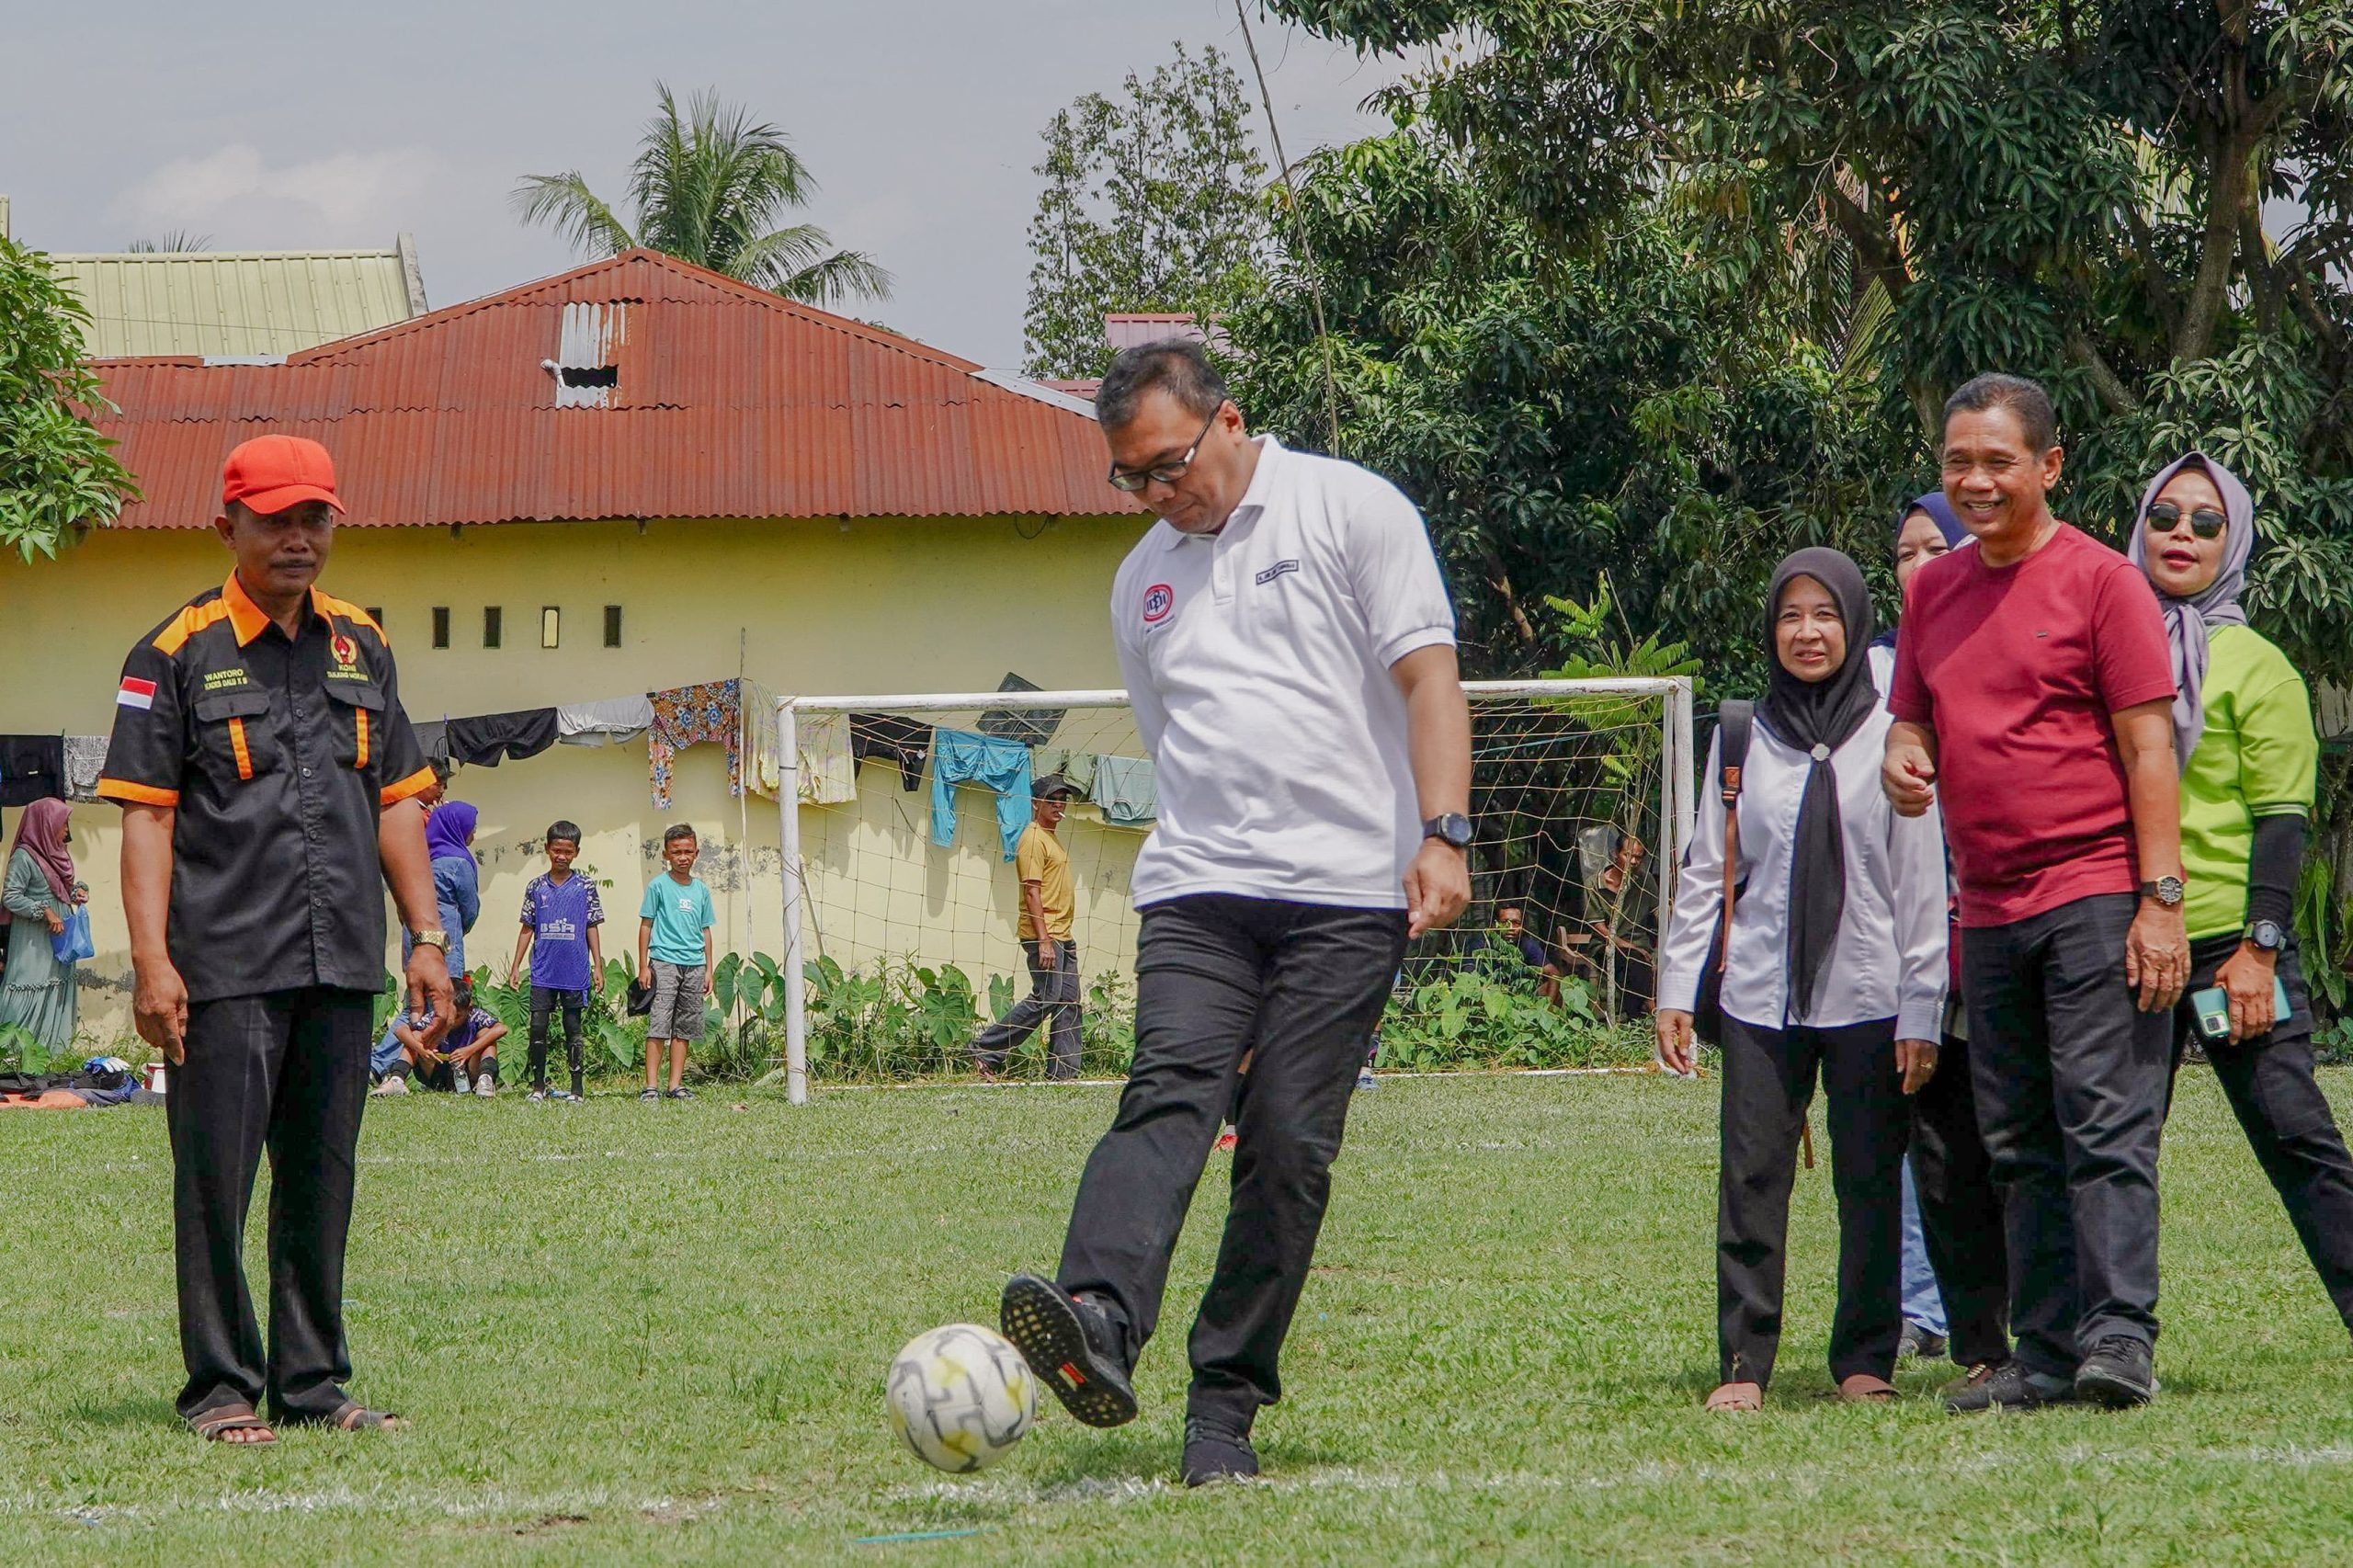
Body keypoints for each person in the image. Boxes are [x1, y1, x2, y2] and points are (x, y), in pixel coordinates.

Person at [996, 338, 1472, 1487]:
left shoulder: (1352, 509)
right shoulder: (1141, 580)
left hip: (1345, 893)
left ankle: (1224, 1407)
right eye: (1132, 480)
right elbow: (1179, 743)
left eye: (1167, 466)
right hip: (1201, 887)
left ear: (1227, 420)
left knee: (1288, 1147)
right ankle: (1099, 1318)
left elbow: (1428, 677)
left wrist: (1443, 831)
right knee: (1169, 1086)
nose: (1158, 495)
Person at [96, 432, 449, 1444]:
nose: (299, 538)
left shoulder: (361, 643)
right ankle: (218, 1387)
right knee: (216, 1180)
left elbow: (395, 800)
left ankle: (314, 1383)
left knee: (321, 1177)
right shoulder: (174, 652)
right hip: (223, 967)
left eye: (316, 518)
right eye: (277, 519)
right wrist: (153, 961)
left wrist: (426, 935)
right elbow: (148, 816)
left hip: (340, 956)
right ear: (228, 526)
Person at [1884, 373, 2187, 1412]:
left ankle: (2118, 1339)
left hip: (2095, 889)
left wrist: (2160, 899)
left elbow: (2150, 748)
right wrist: (1902, 753)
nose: (1973, 479)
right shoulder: (1931, 590)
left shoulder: (2104, 582)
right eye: (1956, 461)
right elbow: (1912, 718)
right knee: (2012, 1135)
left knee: (2102, 1122)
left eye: (1995, 461)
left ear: (2047, 466)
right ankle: (2045, 1348)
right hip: (1989, 905)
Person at [1657, 548, 1949, 1410]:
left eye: (1826, 615)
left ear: (1854, 623)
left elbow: (1920, 878)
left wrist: (1923, 1008)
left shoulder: (1893, 735)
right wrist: (1677, 991)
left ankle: (1865, 1359)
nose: (1808, 632)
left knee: (1869, 1181)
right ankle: (1743, 1365)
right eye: (1791, 616)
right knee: (1750, 1181)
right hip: (1758, 996)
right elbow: (1709, 869)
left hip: (1871, 994)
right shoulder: (1743, 733)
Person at [2130, 451, 2353, 1339]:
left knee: (2297, 1136)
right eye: (2166, 517)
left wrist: (2260, 950)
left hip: (2231, 950)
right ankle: (2107, 1338)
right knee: (2114, 1148)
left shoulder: (2259, 667)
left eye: (2207, 522)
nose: (2182, 534)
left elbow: (2283, 817)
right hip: (2132, 941)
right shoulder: (2101, 646)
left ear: (2237, 541)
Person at [1868, 493, 2012, 1377]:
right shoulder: (1882, 667)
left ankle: (2033, 1309)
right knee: (1921, 1128)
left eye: (1934, 548)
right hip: (1904, 942)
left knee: (2001, 1133)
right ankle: (1922, 1308)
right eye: (1904, 551)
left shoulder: (1993, 645)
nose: (1916, 565)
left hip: (1997, 922)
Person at [972, 775, 1086, 1080]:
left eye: (1063, 799)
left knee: (1069, 1002)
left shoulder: (1051, 836)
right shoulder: (1033, 838)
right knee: (1047, 997)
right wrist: (1044, 940)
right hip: (1045, 935)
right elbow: (1031, 891)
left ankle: (1063, 1075)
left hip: (1062, 933)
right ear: (1036, 804)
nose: (1059, 805)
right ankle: (986, 1048)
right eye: (1052, 799)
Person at [511, 819, 604, 1102]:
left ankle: (577, 1089)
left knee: (573, 1029)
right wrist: (516, 965)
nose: (561, 857)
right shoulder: (536, 887)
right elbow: (528, 927)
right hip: (542, 971)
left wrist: (597, 965)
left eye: (568, 851)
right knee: (538, 1027)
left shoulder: (585, 886)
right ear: (547, 849)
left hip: (574, 970)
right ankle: (538, 1087)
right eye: (556, 850)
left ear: (576, 852)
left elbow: (592, 925)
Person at [0, 799, 90, 1053]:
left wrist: (78, 892)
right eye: (62, 824)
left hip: (59, 937)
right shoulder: (24, 856)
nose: (66, 830)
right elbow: (11, 896)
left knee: (57, 984)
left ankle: (52, 1054)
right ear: (45, 824)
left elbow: (60, 889)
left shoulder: (57, 852)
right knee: (29, 984)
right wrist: (44, 911)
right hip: (33, 938)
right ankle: (13, 1055)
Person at [637, 824, 714, 1102]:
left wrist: (709, 969)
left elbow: (705, 930)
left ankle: (675, 1085)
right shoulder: (658, 886)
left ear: (696, 853)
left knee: (685, 1028)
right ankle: (651, 1087)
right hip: (664, 962)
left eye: (688, 852)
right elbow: (646, 925)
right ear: (666, 855)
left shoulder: (701, 890)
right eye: (677, 852)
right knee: (659, 1025)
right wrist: (644, 966)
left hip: (694, 965)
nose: (683, 857)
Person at [370, 981, 505, 1096]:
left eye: (457, 1016)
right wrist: (421, 1050)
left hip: (469, 1071)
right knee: (416, 1036)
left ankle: (485, 1079)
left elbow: (501, 1028)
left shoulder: (475, 1016)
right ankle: (397, 1080)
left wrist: (469, 1050)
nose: (451, 1019)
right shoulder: (435, 1017)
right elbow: (400, 1030)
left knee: (487, 1034)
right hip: (438, 1071)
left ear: (469, 1009)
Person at [420, 799, 481, 977]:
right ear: (458, 827)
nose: (473, 834)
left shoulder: (420, 858)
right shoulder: (458, 863)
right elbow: (470, 910)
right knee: (444, 999)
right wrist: (457, 928)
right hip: (447, 943)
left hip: (416, 942)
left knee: (417, 999)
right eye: (472, 828)